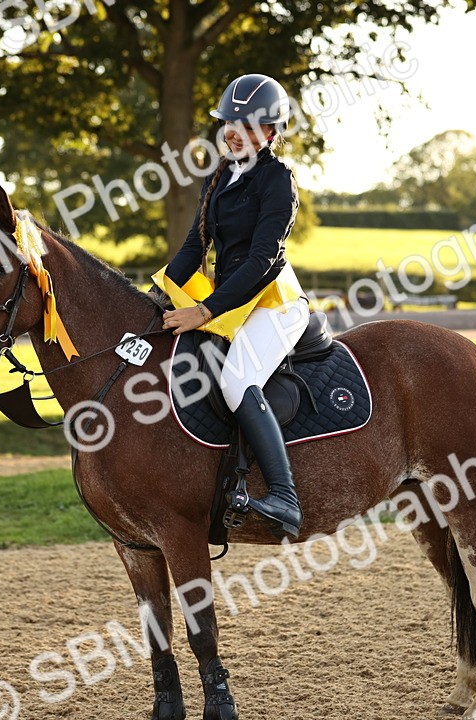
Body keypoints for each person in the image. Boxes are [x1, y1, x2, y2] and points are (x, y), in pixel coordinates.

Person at [158, 73, 310, 539]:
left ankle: (284, 496)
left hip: (273, 303)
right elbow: (192, 249)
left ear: (269, 133)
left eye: (245, 124)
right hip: (230, 302)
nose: (232, 131)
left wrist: (204, 312)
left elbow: (265, 259)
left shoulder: (277, 179)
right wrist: (154, 298)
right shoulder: (219, 175)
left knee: (236, 379)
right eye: (228, 122)